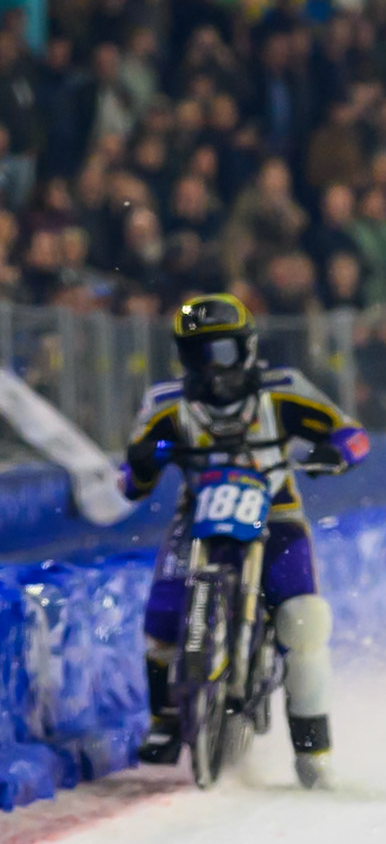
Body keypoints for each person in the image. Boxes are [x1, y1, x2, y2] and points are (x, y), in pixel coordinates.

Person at [121, 294, 371, 789]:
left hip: (275, 518)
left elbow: (353, 435)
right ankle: (166, 720)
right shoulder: (165, 403)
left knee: (303, 620)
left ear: (248, 349)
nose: (213, 370)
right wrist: (143, 461)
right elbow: (129, 481)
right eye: (199, 355)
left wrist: (333, 453)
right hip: (197, 520)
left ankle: (312, 748)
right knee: (162, 620)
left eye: (224, 353)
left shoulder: (283, 391)